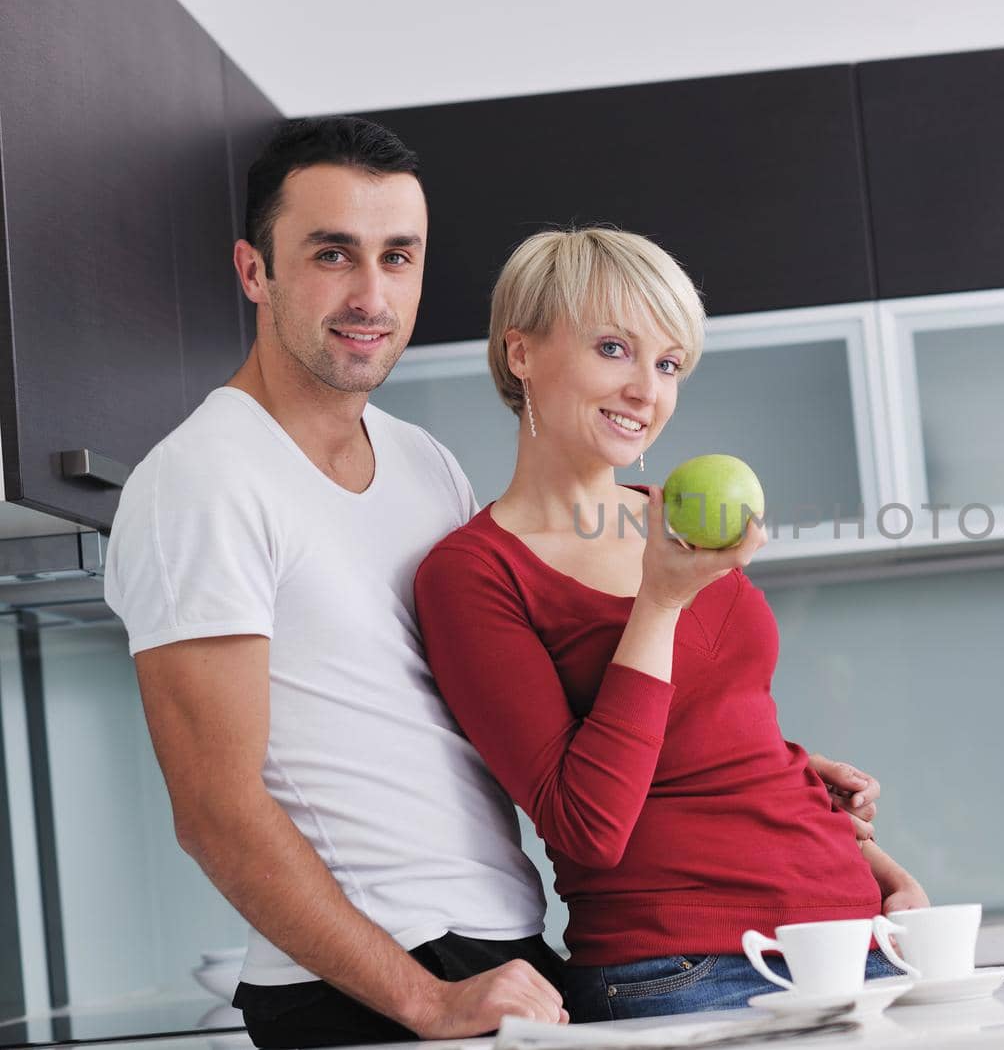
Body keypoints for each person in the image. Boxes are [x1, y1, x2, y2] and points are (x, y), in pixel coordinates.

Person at [103, 117, 883, 1048]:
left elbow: (522, 695)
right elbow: (215, 811)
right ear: (254, 271)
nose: (370, 293)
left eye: (398, 257)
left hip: (499, 948)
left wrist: (744, 767)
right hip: (368, 983)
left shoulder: (421, 462)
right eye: (331, 254)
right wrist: (425, 1000)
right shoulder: (202, 481)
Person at [411, 228, 929, 1023]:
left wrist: (867, 856)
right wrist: (658, 603)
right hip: (687, 965)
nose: (646, 391)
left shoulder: (677, 519)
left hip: (859, 930)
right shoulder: (475, 573)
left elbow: (718, 731)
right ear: (521, 353)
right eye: (614, 347)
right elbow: (587, 825)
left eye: (667, 363)